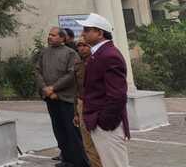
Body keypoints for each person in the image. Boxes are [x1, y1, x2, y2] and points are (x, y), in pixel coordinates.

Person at [77, 14, 130, 167]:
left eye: (87, 30)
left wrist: (104, 122)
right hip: (100, 122)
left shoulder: (109, 55)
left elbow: (118, 95)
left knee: (115, 164)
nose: (83, 33)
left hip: (107, 124)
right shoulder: (99, 53)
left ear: (100, 33)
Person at [34, 27, 86, 167]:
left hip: (66, 99)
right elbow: (37, 71)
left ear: (62, 38)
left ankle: (80, 162)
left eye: (53, 35)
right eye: (49, 35)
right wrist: (45, 89)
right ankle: (67, 160)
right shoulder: (44, 53)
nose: (50, 37)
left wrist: (54, 88)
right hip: (50, 98)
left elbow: (71, 74)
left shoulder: (70, 53)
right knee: (59, 130)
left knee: (72, 131)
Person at [73, 36, 102, 167]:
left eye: (85, 45)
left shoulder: (98, 62)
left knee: (100, 140)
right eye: (79, 45)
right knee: (87, 143)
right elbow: (75, 89)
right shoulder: (77, 65)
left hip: (97, 104)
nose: (82, 48)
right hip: (82, 103)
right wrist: (75, 112)